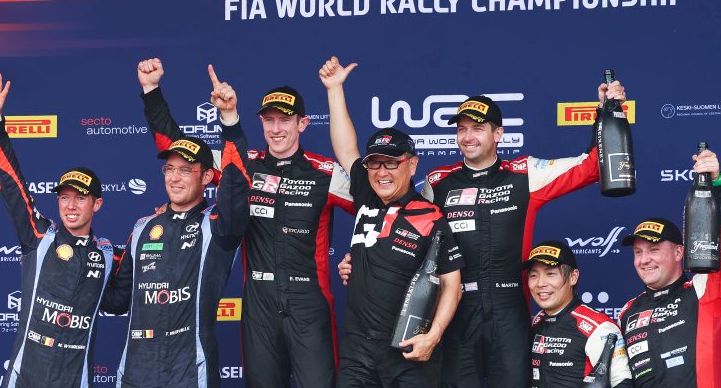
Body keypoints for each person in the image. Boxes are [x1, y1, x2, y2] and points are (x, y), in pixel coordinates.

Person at [133, 58, 355, 387]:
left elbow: (374, 208)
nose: (276, 129)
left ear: (303, 124)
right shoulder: (242, 165)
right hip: (259, 305)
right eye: (269, 120)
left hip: (310, 304)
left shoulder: (325, 172)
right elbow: (178, 148)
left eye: (285, 120)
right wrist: (151, 90)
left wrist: (359, 258)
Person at [417, 79, 627, 387]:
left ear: (498, 133)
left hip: (509, 309)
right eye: (461, 129)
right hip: (456, 308)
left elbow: (592, 167)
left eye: (477, 128)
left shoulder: (525, 173)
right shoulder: (437, 183)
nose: (467, 137)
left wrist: (608, 111)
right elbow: (409, 231)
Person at [100, 63, 250, 387]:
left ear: (207, 177)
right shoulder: (143, 228)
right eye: (169, 169)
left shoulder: (219, 226)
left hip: (190, 372)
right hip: (136, 373)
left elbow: (237, 183)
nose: (175, 178)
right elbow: (116, 300)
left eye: (185, 170)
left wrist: (229, 119)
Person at [321, 56, 464, 387]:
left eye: (392, 163)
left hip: (408, 350)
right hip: (358, 351)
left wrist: (433, 336)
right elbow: (346, 148)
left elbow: (452, 286)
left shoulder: (430, 217)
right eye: (374, 164)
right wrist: (334, 89)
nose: (381, 172)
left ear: (412, 165)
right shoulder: (366, 194)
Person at [0, 73, 119, 387]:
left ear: (97, 204)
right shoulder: (40, 237)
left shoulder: (109, 254)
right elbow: (13, 186)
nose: (71, 206)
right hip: (25, 378)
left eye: (80, 198)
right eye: (64, 198)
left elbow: (133, 293)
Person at [618, 149, 721, 387]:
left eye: (654, 250)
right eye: (638, 252)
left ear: (678, 252)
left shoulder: (703, 291)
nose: (644, 260)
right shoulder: (627, 312)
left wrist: (717, 185)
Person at [526, 240, 632, 387]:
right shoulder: (535, 322)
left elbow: (622, 383)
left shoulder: (599, 327)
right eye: (533, 275)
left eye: (550, 274)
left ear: (573, 277)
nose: (540, 283)